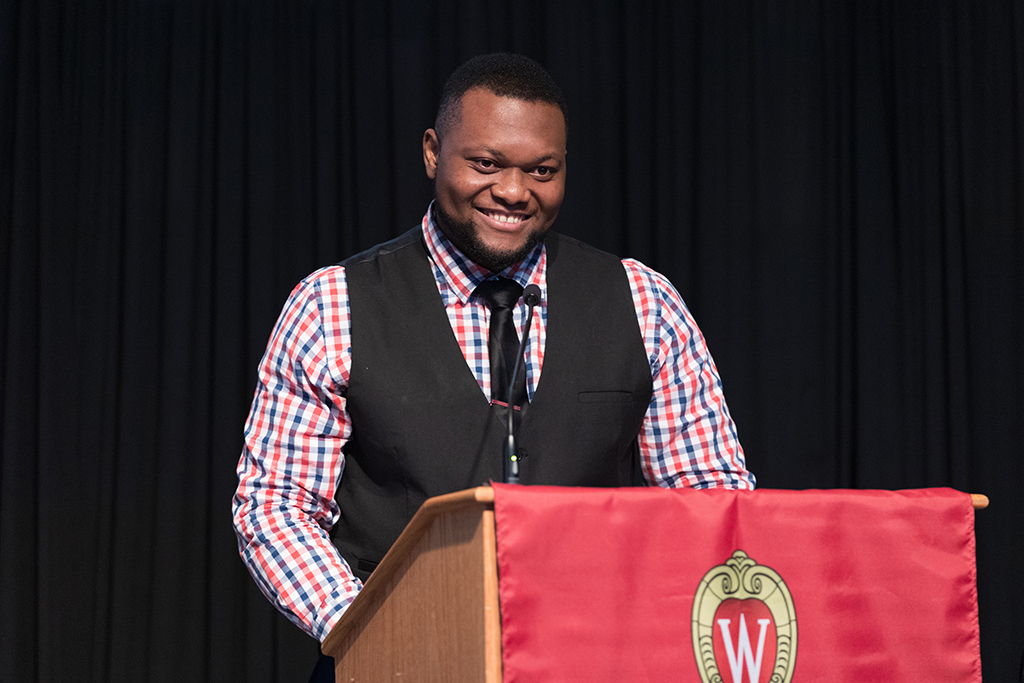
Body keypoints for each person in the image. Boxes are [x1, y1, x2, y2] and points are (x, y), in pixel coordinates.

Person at [232, 52, 754, 659]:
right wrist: (375, 630)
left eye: (542, 170)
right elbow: (274, 509)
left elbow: (715, 501)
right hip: (394, 662)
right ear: (432, 152)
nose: (512, 191)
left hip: (590, 659)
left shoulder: (644, 301)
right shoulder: (330, 307)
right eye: (485, 164)